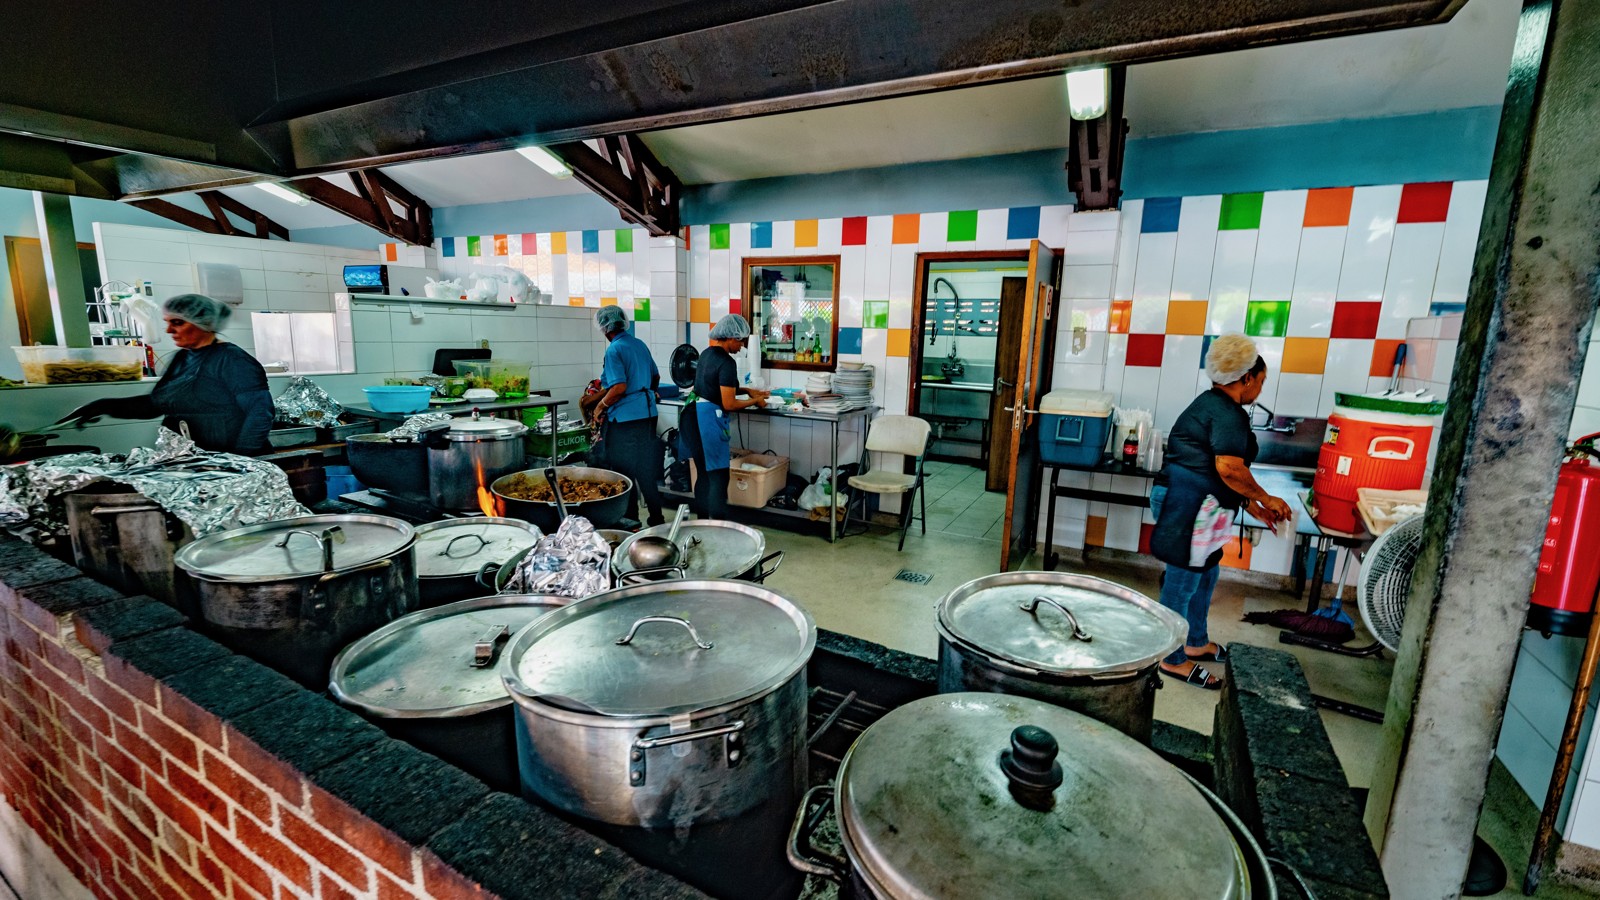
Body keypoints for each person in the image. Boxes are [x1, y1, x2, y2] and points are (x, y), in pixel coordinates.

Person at [1149, 333, 1292, 690]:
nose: (1260, 389)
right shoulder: (1225, 412)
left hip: (1201, 504)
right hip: (1186, 503)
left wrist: (1253, 506)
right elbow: (1228, 468)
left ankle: (1195, 641)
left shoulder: (1216, 406)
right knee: (1182, 583)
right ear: (1246, 377)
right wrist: (1267, 498)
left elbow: (1215, 473)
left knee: (1205, 574)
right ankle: (1170, 658)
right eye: (1260, 381)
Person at [55, 294, 274, 455]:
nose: (169, 330)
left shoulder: (232, 359)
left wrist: (241, 461)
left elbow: (259, 413)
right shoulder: (181, 358)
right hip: (198, 459)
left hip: (232, 462)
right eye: (168, 323)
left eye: (177, 323)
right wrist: (104, 406)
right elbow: (156, 405)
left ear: (204, 323)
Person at [679, 314, 769, 518]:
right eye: (740, 340)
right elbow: (729, 403)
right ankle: (718, 525)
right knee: (718, 476)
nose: (742, 345)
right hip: (705, 420)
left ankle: (702, 522)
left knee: (703, 473)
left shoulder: (706, 354)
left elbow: (720, 387)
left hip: (691, 415)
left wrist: (748, 390)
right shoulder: (727, 362)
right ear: (730, 337)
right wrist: (755, 401)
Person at [583, 306, 666, 526]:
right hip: (648, 416)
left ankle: (631, 521)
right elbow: (655, 376)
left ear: (604, 328)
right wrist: (649, 393)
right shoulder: (639, 344)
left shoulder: (614, 350)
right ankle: (657, 518)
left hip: (625, 421)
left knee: (624, 472)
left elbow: (619, 387)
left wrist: (600, 407)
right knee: (645, 470)